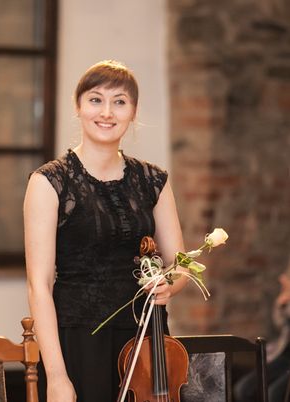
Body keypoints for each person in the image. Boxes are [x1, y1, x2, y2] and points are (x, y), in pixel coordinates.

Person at [23, 60, 189, 402]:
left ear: (133, 112)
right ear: (78, 106)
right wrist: (56, 376)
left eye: (120, 102)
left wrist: (170, 284)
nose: (107, 112)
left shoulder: (153, 180)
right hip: (78, 342)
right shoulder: (49, 182)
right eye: (96, 99)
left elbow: (181, 264)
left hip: (146, 340)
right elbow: (39, 285)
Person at [234, 264, 290, 402]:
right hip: (284, 354)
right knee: (243, 389)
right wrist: (282, 303)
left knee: (274, 393)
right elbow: (279, 324)